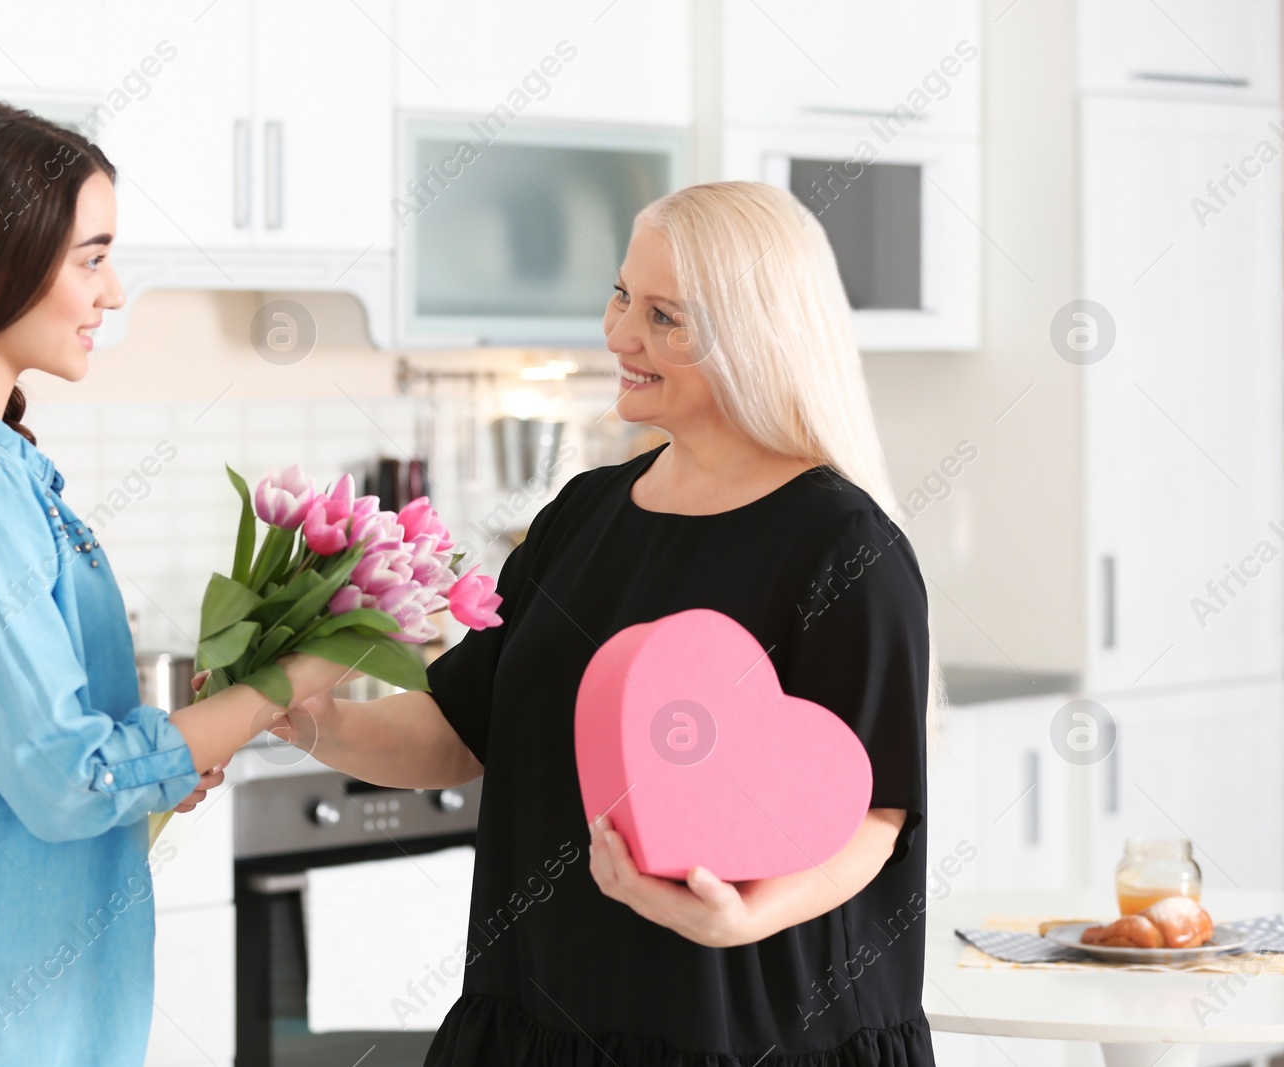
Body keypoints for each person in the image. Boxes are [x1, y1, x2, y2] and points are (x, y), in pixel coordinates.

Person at [273, 180, 942, 1064]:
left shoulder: (842, 546)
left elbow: (873, 818)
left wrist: (743, 915)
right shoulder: (583, 515)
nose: (621, 334)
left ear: (755, 338)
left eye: (667, 316)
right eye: (624, 294)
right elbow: (460, 728)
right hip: (543, 1022)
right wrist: (306, 719)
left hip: (748, 1033)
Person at [0, 102, 345, 1066]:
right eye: (92, 257)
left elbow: (15, 759)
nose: (114, 291)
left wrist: (164, 759)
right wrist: (284, 686)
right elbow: (69, 779)